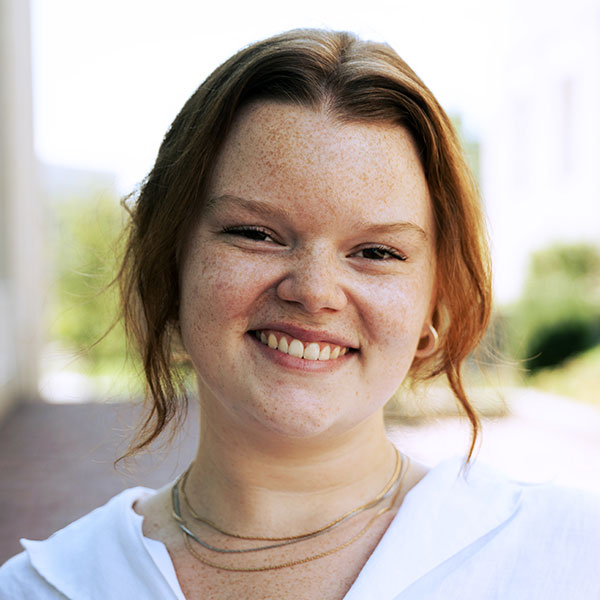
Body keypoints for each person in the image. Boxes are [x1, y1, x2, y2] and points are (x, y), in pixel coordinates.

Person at [1, 28, 599, 600]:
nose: (315, 292)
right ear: (170, 266)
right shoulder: (44, 589)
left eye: (376, 251)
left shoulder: (570, 558)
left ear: (432, 305)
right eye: (256, 233)